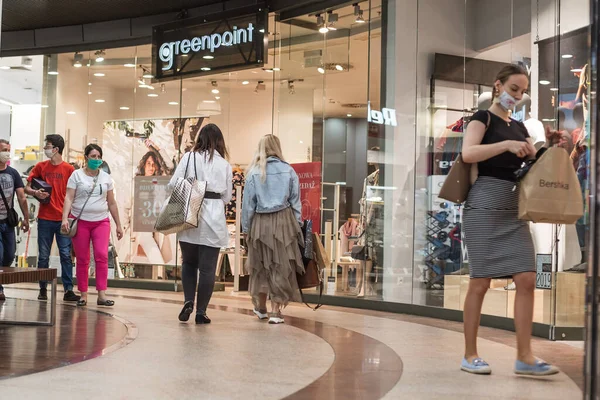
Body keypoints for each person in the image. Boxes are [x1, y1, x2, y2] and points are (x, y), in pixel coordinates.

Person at [461, 65, 559, 376]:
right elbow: (467, 154)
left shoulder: (519, 127)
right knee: (480, 282)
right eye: (513, 89)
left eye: (521, 91)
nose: (517, 96)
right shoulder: (483, 119)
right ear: (498, 86)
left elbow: (529, 167)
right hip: (484, 204)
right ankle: (470, 354)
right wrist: (505, 145)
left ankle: (525, 356)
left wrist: (540, 154)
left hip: (513, 207)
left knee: (527, 278)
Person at [171, 124, 232, 324]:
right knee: (207, 268)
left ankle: (189, 300)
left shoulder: (188, 157)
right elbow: (227, 196)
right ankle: (201, 312)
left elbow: (173, 184)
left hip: (189, 209)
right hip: (213, 215)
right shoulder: (224, 164)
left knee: (188, 262)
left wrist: (193, 190)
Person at [242, 134, 305, 325]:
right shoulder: (289, 171)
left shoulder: (254, 172)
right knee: (280, 265)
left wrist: (246, 228)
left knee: (260, 264)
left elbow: (248, 205)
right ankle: (276, 312)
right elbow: (295, 201)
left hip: (260, 221)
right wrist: (298, 225)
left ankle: (261, 307)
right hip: (284, 221)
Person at [62, 144, 123, 307]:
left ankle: (101, 294)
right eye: (93, 156)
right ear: (86, 157)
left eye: (99, 157)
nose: (96, 160)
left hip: (101, 221)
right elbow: (68, 198)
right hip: (80, 221)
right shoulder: (76, 176)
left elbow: (111, 202)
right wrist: (64, 219)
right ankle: (83, 294)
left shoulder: (106, 178)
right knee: (82, 258)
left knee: (102, 255)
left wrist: (118, 224)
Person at [25, 134, 79, 301]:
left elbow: (74, 194)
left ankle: (68, 289)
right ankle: (42, 288)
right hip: (45, 217)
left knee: (65, 254)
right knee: (43, 255)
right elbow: (27, 187)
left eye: (47, 146)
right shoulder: (41, 167)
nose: (45, 149)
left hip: (63, 218)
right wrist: (35, 193)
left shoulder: (69, 170)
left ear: (56, 149)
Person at [0, 139, 30, 300]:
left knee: (9, 255)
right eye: (4, 149)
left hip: (8, 222)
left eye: (8, 150)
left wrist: (26, 218)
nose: (6, 153)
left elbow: (21, 197)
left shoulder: (13, 173)